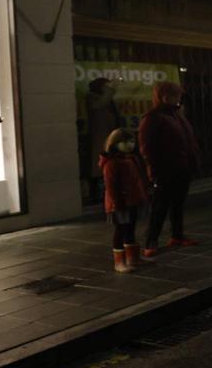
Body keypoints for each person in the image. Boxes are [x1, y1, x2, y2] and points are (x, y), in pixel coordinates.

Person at [139, 81, 199, 256]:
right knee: (160, 207)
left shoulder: (176, 114)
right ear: (165, 97)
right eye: (176, 96)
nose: (179, 99)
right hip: (165, 171)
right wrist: (154, 171)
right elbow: (147, 148)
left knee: (178, 205)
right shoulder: (152, 118)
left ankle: (177, 235)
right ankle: (151, 242)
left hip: (182, 168)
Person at [100, 128, 149, 273]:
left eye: (132, 141)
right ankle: (119, 261)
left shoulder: (132, 159)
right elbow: (111, 185)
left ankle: (133, 258)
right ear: (114, 143)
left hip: (133, 200)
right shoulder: (112, 163)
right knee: (120, 230)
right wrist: (118, 202)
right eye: (124, 142)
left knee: (130, 228)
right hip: (120, 203)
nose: (129, 145)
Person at [85, 77, 121, 201]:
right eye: (105, 86)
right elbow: (100, 104)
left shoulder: (109, 101)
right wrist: (110, 90)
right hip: (99, 137)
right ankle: (96, 194)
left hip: (109, 137)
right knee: (97, 166)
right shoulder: (92, 98)